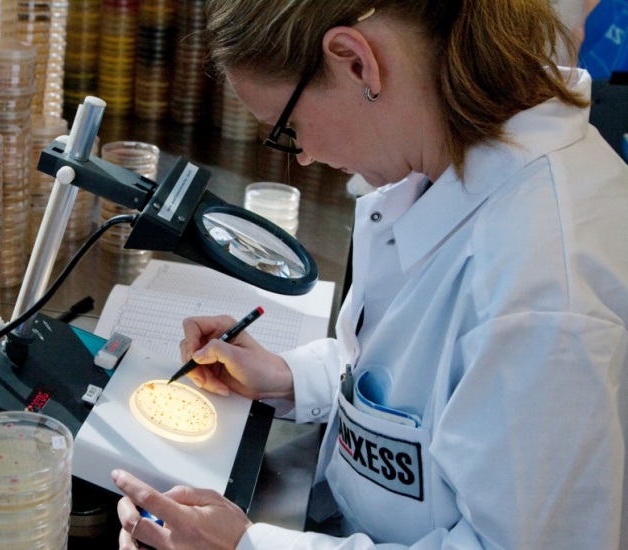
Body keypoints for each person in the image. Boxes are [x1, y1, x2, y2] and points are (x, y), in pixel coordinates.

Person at [112, 1, 628, 548]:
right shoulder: (445, 165)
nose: (303, 156)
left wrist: (247, 546)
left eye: (288, 128)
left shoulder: (546, 289)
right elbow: (413, 382)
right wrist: (289, 377)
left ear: (356, 62)